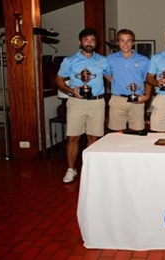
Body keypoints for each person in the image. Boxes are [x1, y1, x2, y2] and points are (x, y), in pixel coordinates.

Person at [55, 28, 111, 183]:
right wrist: (70, 90)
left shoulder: (103, 60)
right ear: (80, 42)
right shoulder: (70, 60)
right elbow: (59, 80)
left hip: (97, 102)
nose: (89, 42)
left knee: (93, 137)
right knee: (73, 137)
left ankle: (89, 169)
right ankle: (71, 169)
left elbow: (110, 77)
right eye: (86, 39)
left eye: (92, 40)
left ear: (96, 42)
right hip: (76, 102)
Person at [107, 29, 151, 133]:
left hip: (137, 100)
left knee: (135, 133)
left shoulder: (144, 60)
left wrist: (147, 96)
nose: (125, 44)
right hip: (117, 100)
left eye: (128, 40)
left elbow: (148, 80)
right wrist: (114, 81)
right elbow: (106, 73)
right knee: (116, 134)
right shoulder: (110, 59)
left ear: (133, 42)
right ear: (118, 42)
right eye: (122, 40)